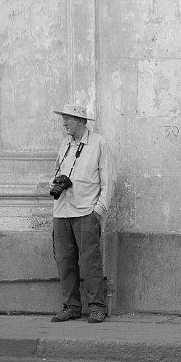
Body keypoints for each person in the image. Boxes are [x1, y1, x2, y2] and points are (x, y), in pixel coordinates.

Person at [49, 104, 113, 323]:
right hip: (62, 211)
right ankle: (71, 306)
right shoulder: (64, 144)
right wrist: (57, 183)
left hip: (86, 211)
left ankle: (97, 306)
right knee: (65, 261)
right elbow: (56, 172)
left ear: (80, 121)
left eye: (68, 119)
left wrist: (99, 210)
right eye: (64, 119)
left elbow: (108, 181)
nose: (64, 123)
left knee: (90, 262)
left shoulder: (99, 143)